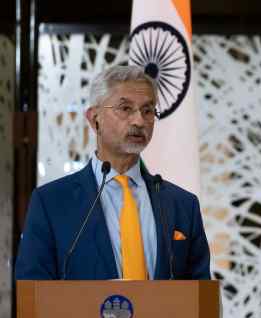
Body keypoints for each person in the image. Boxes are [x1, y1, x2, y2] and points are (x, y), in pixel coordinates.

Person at [16, 65, 210, 280]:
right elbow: (32, 292)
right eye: (125, 108)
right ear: (94, 118)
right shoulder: (51, 202)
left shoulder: (183, 205)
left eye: (147, 111)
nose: (139, 121)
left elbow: (201, 297)